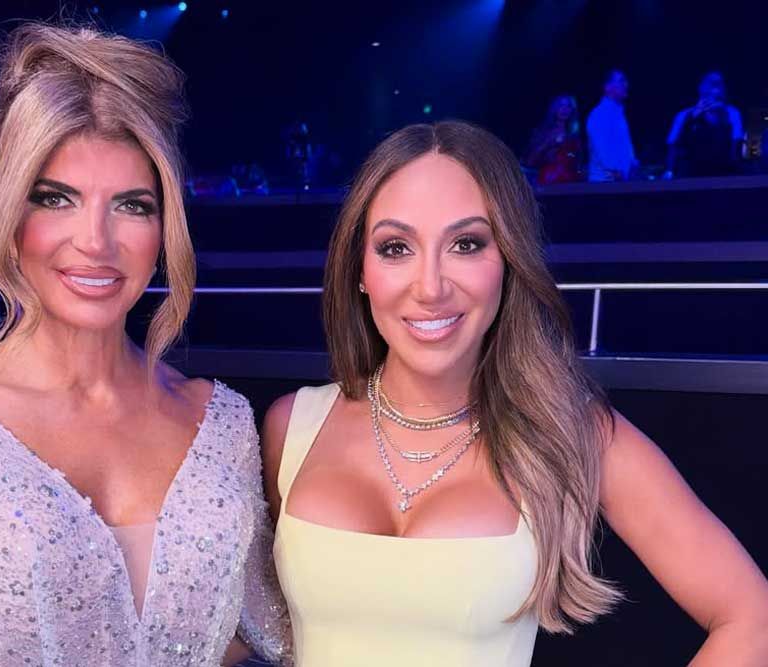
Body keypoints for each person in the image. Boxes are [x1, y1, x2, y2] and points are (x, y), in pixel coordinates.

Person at [0, 23, 290, 666]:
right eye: (56, 199)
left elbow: (274, 632)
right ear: (10, 212)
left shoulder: (222, 424)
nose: (96, 242)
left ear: (165, 227)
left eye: (132, 206)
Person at [262, 121, 768, 666]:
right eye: (395, 247)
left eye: (466, 244)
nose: (430, 287)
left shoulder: (574, 434)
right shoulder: (292, 427)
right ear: (360, 269)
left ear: (509, 258)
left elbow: (754, 619)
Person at [665, 71, 744, 178]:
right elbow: (673, 145)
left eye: (719, 83)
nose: (716, 86)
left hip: (722, 175)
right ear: (700, 87)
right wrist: (669, 171)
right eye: (711, 82)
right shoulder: (684, 115)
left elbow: (736, 146)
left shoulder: (732, 113)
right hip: (690, 175)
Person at [586, 70, 637, 181]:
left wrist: (633, 163)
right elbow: (602, 149)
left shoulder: (618, 113)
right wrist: (616, 171)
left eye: (625, 81)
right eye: (621, 81)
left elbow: (625, 145)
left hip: (620, 180)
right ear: (607, 87)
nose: (626, 84)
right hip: (605, 181)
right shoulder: (600, 113)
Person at [525, 94, 583, 185]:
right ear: (555, 109)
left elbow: (577, 160)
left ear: (572, 110)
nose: (564, 110)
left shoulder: (573, 135)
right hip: (548, 181)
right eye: (561, 106)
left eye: (568, 106)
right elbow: (530, 161)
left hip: (570, 182)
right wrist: (549, 144)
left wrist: (570, 155)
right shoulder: (543, 132)